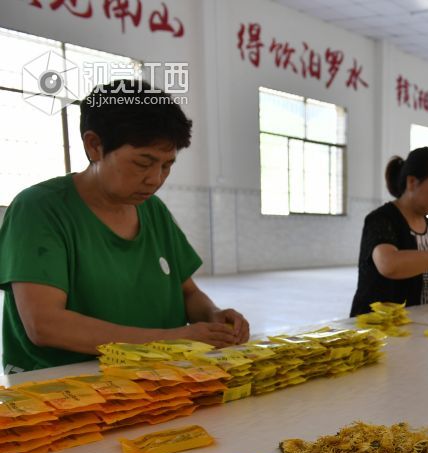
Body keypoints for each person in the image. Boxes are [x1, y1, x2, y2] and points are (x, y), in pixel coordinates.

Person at [0, 81, 249, 374]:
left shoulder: (153, 210)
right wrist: (171, 339)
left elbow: (188, 293)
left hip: (151, 380)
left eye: (167, 166)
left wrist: (213, 315)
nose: (155, 179)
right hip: (62, 390)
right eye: (143, 163)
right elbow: (45, 325)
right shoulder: (40, 209)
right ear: (94, 145)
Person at [350, 147, 428, 317]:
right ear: (412, 183)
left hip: (419, 325)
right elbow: (389, 265)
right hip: (379, 328)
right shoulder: (381, 219)